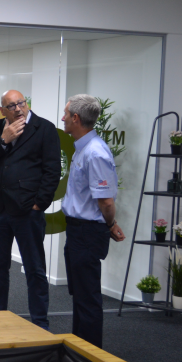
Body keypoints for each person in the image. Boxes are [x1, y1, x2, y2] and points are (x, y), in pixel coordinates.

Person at [0, 90, 60, 329]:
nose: (18, 109)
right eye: (11, 106)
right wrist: (3, 140)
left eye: (21, 103)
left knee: (34, 269)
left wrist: (39, 204)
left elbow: (52, 171)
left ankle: (40, 322)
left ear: (27, 103)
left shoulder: (45, 128)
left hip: (27, 211)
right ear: (3, 110)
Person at [61, 94, 125, 348]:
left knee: (87, 299)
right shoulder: (84, 149)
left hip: (88, 234)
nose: (62, 118)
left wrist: (110, 224)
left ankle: (91, 361)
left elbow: (106, 202)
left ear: (76, 118)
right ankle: (80, 353)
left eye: (66, 114)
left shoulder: (95, 153)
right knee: (81, 296)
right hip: (79, 233)